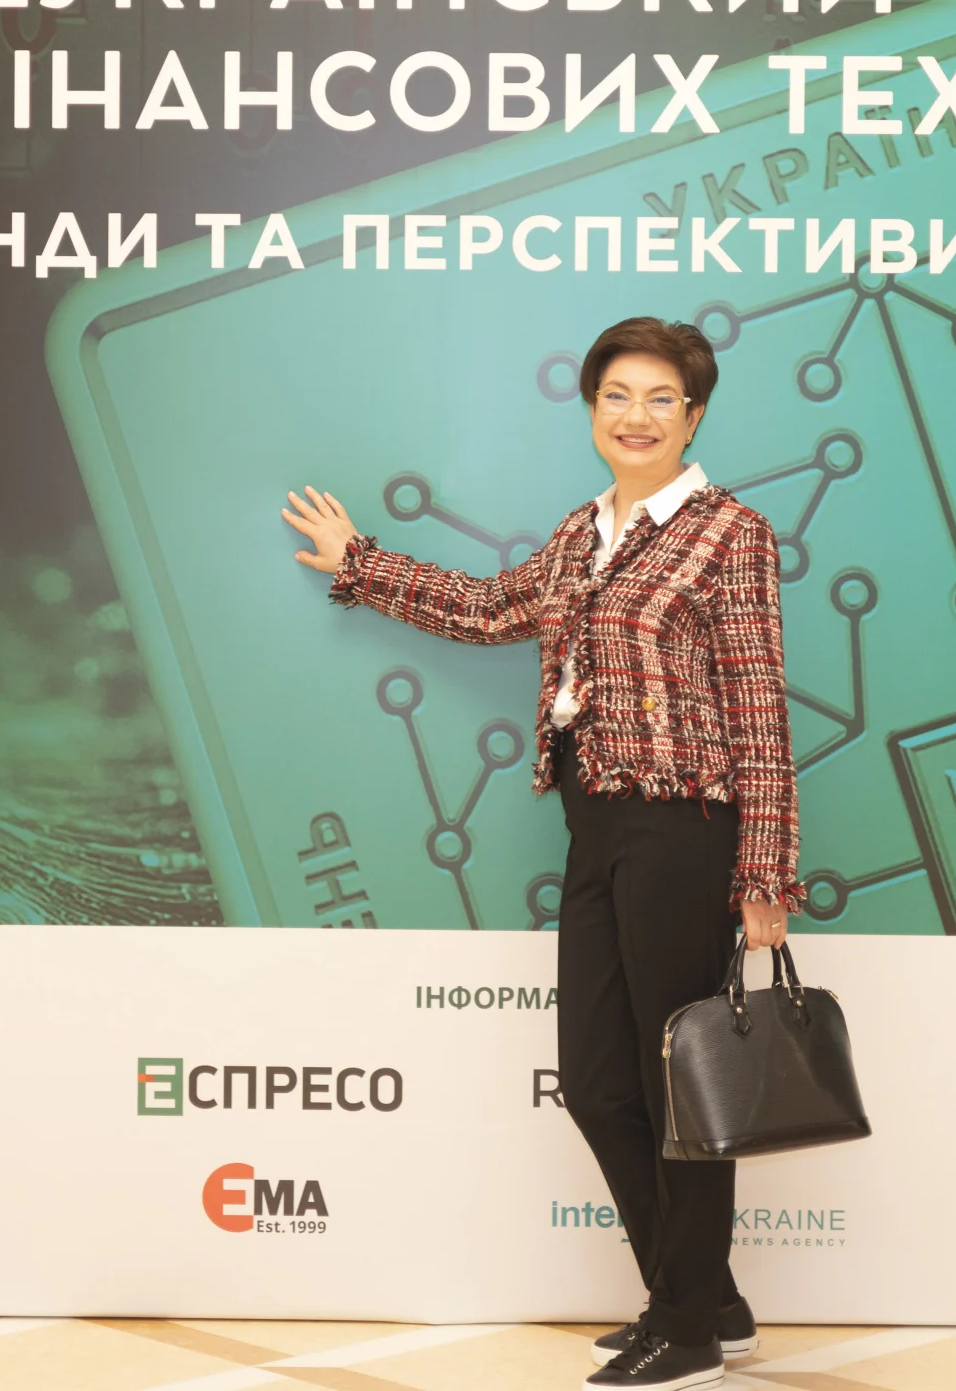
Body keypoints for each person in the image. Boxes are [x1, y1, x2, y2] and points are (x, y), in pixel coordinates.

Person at [283, 316, 801, 1391]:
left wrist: (762, 874)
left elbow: (758, 707)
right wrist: (361, 564)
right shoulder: (579, 535)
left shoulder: (729, 533)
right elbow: (488, 611)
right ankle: (710, 1301)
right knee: (597, 1083)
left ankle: (684, 1328)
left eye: (660, 399)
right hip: (594, 826)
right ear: (592, 410)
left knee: (678, 1087)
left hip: (683, 827)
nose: (636, 416)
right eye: (617, 395)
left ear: (694, 417)